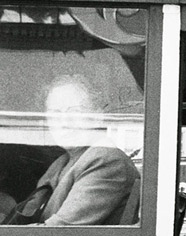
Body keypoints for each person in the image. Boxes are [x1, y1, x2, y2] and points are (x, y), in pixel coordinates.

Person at [22, 75, 140, 226]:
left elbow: (59, 231)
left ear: (98, 116)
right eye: (55, 113)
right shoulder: (61, 163)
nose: (64, 122)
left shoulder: (106, 160)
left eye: (75, 111)